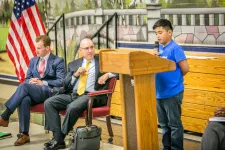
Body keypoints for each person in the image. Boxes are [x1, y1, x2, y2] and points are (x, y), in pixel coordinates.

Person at [43, 38, 117, 150]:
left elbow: (120, 70)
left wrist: (107, 75)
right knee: (49, 103)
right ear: (80, 51)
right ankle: (58, 137)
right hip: (73, 94)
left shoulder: (101, 61)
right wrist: (76, 74)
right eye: (86, 48)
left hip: (91, 96)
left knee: (73, 107)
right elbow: (66, 85)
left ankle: (59, 139)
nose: (90, 50)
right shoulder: (73, 64)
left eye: (92, 47)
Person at [0, 35, 66, 146]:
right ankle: (25, 134)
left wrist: (43, 83)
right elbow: (26, 79)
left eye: (39, 48)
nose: (36, 51)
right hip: (34, 92)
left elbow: (61, 81)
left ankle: (5, 116)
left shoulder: (58, 61)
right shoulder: (33, 60)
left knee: (23, 87)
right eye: (36, 48)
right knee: (24, 98)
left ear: (47, 48)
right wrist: (30, 82)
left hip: (48, 92)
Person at [152, 19, 189, 150]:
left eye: (160, 32)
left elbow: (185, 69)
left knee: (174, 125)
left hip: (173, 93)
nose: (158, 36)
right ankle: (166, 148)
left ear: (169, 32)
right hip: (159, 93)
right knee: (164, 125)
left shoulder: (175, 49)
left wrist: (174, 80)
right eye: (156, 33)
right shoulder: (158, 49)